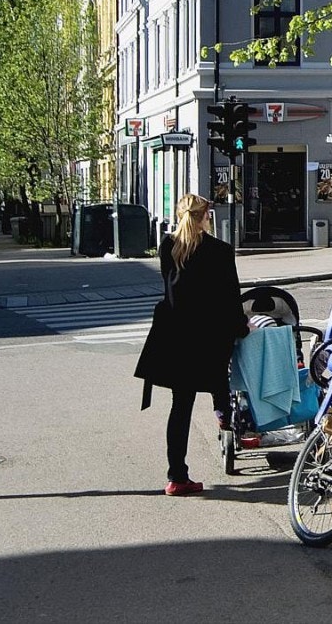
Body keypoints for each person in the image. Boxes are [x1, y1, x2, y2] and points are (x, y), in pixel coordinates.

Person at [134, 193, 248, 497]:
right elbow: (229, 297)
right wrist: (241, 327)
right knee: (220, 381)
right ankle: (227, 420)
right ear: (205, 216)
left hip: (176, 338)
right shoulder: (220, 251)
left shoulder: (168, 247)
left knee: (180, 407)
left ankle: (177, 477)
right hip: (210, 338)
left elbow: (172, 288)